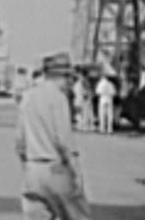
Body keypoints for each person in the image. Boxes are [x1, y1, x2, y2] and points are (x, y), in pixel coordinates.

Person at [15, 51, 91, 219]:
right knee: (77, 214)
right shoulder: (58, 98)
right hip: (55, 169)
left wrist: (27, 164)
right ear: (64, 76)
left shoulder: (27, 97)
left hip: (33, 170)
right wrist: (76, 171)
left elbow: (20, 141)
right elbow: (63, 140)